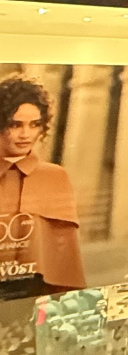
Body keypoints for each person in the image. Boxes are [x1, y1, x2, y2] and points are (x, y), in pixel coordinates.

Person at [0, 76, 85, 300]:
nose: (26, 134)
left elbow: (66, 258)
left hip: (37, 297)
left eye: (34, 124)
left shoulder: (55, 177)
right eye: (15, 124)